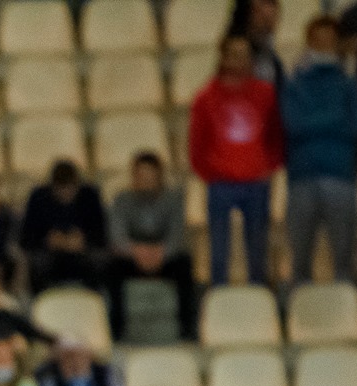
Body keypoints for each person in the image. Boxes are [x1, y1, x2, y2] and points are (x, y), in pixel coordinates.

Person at [190, 35, 284, 286]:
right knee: (219, 252)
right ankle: (218, 296)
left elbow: (275, 135)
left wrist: (269, 165)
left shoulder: (265, 94)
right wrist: (210, 173)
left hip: (256, 182)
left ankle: (259, 297)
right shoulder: (206, 98)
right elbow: (197, 143)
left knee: (258, 251)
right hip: (221, 183)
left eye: (244, 55)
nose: (238, 60)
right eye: (233, 54)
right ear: (223, 57)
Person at [280, 17, 357, 284]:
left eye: (330, 40)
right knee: (300, 263)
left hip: (341, 177)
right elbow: (293, 124)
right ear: (309, 43)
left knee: (344, 261)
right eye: (319, 40)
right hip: (302, 178)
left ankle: (346, 306)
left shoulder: (350, 82)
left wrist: (314, 120)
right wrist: (334, 118)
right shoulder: (294, 82)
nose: (324, 45)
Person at [104, 152, 197, 342]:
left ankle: (187, 329)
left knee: (184, 263)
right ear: (134, 177)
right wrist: (137, 252)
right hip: (132, 257)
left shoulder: (173, 199)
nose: (146, 181)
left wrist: (160, 253)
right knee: (111, 266)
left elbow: (177, 235)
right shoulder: (122, 200)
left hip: (164, 258)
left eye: (150, 176)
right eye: (142, 176)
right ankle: (116, 330)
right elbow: (117, 236)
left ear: (159, 176)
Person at [18, 160, 108, 294]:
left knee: (99, 260)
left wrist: (84, 241)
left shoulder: (90, 196)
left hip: (83, 253)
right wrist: (48, 241)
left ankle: (95, 300)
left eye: (70, 189)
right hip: (49, 254)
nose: (65, 194)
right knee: (37, 262)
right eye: (61, 190)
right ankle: (42, 301)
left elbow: (102, 234)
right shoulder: (38, 198)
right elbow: (26, 238)